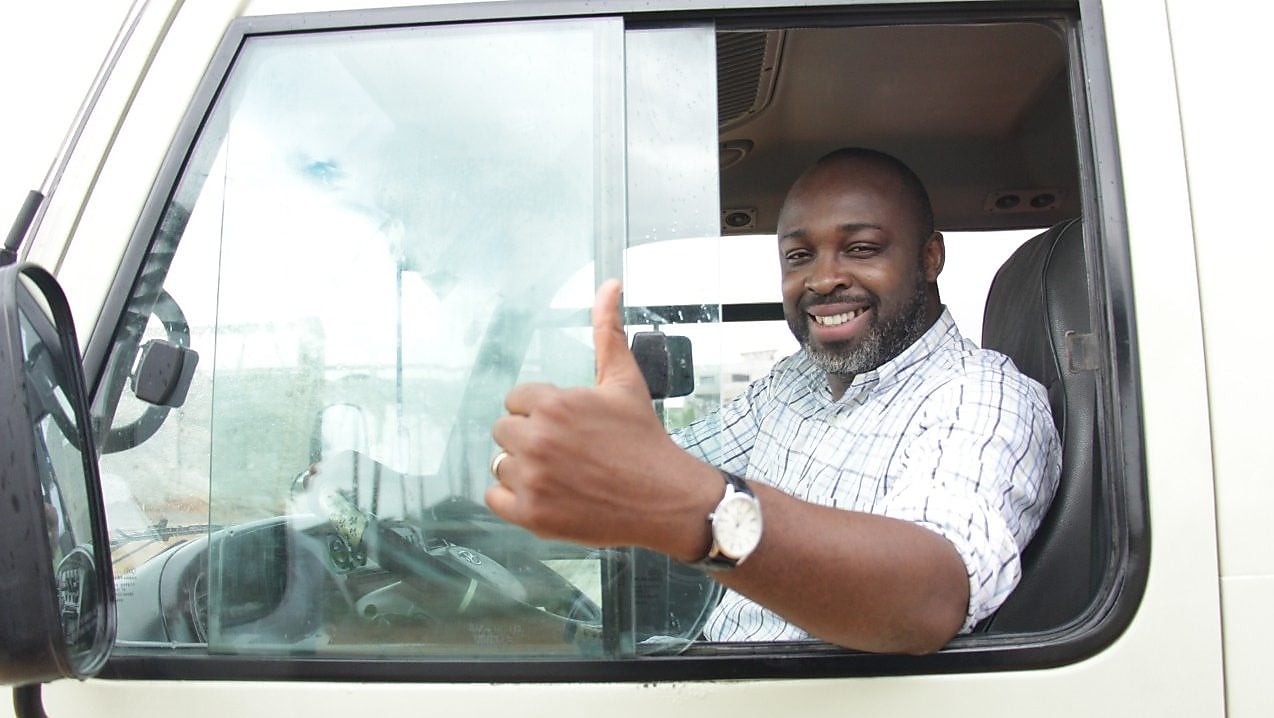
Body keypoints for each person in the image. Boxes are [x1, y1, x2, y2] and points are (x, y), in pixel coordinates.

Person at [486, 147, 1061, 654]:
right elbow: (661, 465)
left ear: (930, 258)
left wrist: (700, 513)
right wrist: (579, 454)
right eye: (799, 256)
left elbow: (929, 597)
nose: (823, 279)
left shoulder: (982, 399)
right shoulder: (792, 385)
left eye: (860, 249)